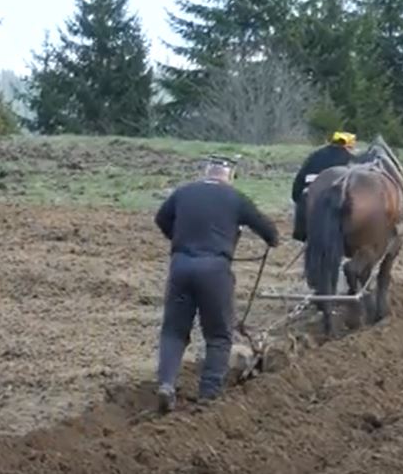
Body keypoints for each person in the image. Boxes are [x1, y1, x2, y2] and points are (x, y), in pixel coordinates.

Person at [153, 156, 279, 413]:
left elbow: (161, 219)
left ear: (205, 173)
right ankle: (209, 395)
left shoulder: (183, 192)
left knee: (174, 331)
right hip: (215, 270)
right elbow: (270, 232)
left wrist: (178, 238)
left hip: (180, 267)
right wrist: (269, 239)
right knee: (219, 335)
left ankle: (166, 384)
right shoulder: (236, 198)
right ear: (229, 176)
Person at [290, 131, 357, 242]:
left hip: (307, 201)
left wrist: (297, 198)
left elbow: (299, 182)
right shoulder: (350, 160)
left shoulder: (315, 155)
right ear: (348, 146)